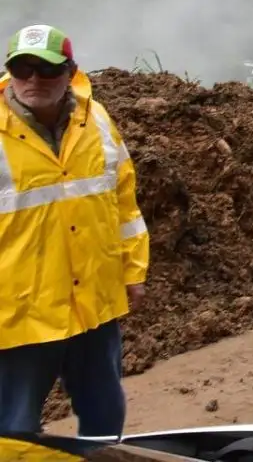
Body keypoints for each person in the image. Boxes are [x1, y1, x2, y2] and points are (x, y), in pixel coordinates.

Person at [0, 25, 149, 437]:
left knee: (104, 416)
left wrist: (133, 271)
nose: (33, 80)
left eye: (46, 70)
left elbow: (123, 204)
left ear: (70, 71)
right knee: (13, 428)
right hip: (20, 311)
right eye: (22, 69)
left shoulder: (96, 120)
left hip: (94, 303)